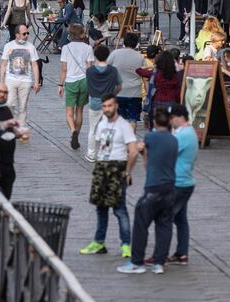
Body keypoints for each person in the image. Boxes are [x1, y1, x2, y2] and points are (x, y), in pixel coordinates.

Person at [118, 108, 178, 275]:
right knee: (164, 225)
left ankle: (137, 261)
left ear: (155, 122)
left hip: (154, 187)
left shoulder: (151, 137)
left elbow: (144, 160)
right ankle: (159, 262)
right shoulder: (174, 141)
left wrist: (142, 153)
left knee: (141, 223)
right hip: (170, 187)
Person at [79, 94, 138, 259]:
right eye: (104, 106)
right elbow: (100, 146)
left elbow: (133, 152)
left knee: (120, 209)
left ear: (116, 106)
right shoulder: (102, 124)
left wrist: (127, 171)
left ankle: (126, 244)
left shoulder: (124, 126)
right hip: (102, 167)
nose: (106, 109)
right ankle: (99, 242)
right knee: (100, 208)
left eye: (109, 106)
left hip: (117, 167)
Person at [166, 104, 197, 265]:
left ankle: (161, 254)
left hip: (179, 182)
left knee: (166, 217)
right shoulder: (187, 132)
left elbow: (167, 150)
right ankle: (182, 253)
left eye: (171, 118)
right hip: (184, 180)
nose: (170, 121)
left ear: (180, 117)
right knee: (180, 219)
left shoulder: (183, 134)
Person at [0, 83, 27, 198]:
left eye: (5, 92)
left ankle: (1, 215)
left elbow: (8, 130)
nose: (2, 95)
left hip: (8, 162)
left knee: (5, 196)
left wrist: (18, 133)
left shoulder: (6, 109)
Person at [58, 23, 93, 150]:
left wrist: (60, 84)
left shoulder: (66, 48)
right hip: (84, 81)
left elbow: (64, 69)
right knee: (79, 111)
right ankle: (76, 134)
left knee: (69, 113)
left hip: (71, 81)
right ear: (82, 34)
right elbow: (89, 67)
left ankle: (73, 131)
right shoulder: (88, 48)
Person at [84, 45, 122, 161]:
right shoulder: (113, 70)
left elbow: (87, 86)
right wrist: (113, 93)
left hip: (95, 102)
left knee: (92, 129)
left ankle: (91, 154)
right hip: (109, 102)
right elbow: (119, 86)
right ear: (107, 56)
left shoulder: (89, 71)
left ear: (95, 56)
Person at [0, 25, 40, 124]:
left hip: (26, 80)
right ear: (17, 34)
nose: (26, 35)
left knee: (23, 106)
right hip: (10, 79)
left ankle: (20, 127)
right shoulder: (9, 46)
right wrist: (1, 81)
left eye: (27, 33)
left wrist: (36, 82)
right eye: (24, 34)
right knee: (9, 104)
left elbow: (35, 65)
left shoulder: (31, 47)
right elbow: (3, 64)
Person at [108, 33, 144, 125]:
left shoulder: (115, 53)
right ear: (136, 43)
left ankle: (121, 137)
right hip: (135, 92)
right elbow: (143, 74)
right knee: (133, 119)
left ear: (124, 42)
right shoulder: (140, 57)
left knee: (119, 119)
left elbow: (107, 68)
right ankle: (131, 138)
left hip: (118, 91)